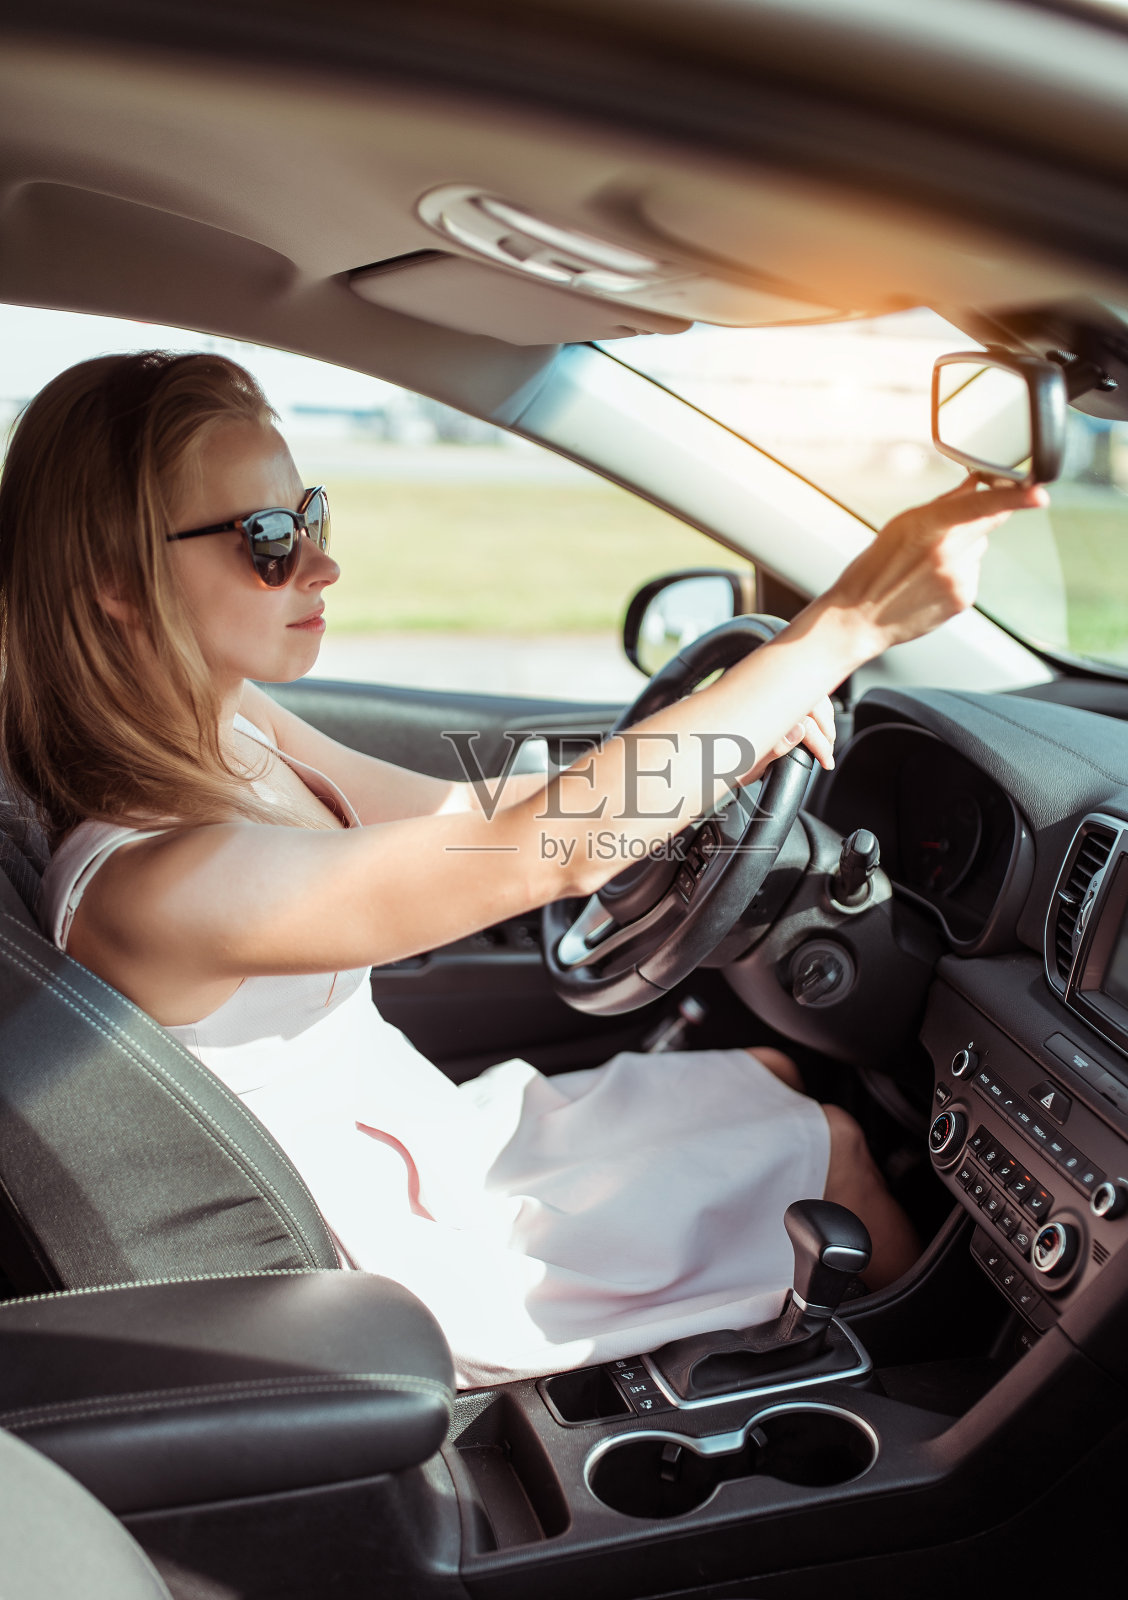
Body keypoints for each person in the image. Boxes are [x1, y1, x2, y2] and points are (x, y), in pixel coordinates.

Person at [0, 351, 1046, 1386]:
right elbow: (544, 850)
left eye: (310, 514)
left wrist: (715, 748)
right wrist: (847, 624)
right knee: (828, 1148)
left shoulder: (231, 724)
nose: (320, 564)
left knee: (769, 1076)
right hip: (408, 1260)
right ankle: (951, 1428)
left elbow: (475, 811)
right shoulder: (159, 886)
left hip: (432, 1146)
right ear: (118, 585)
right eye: (267, 540)